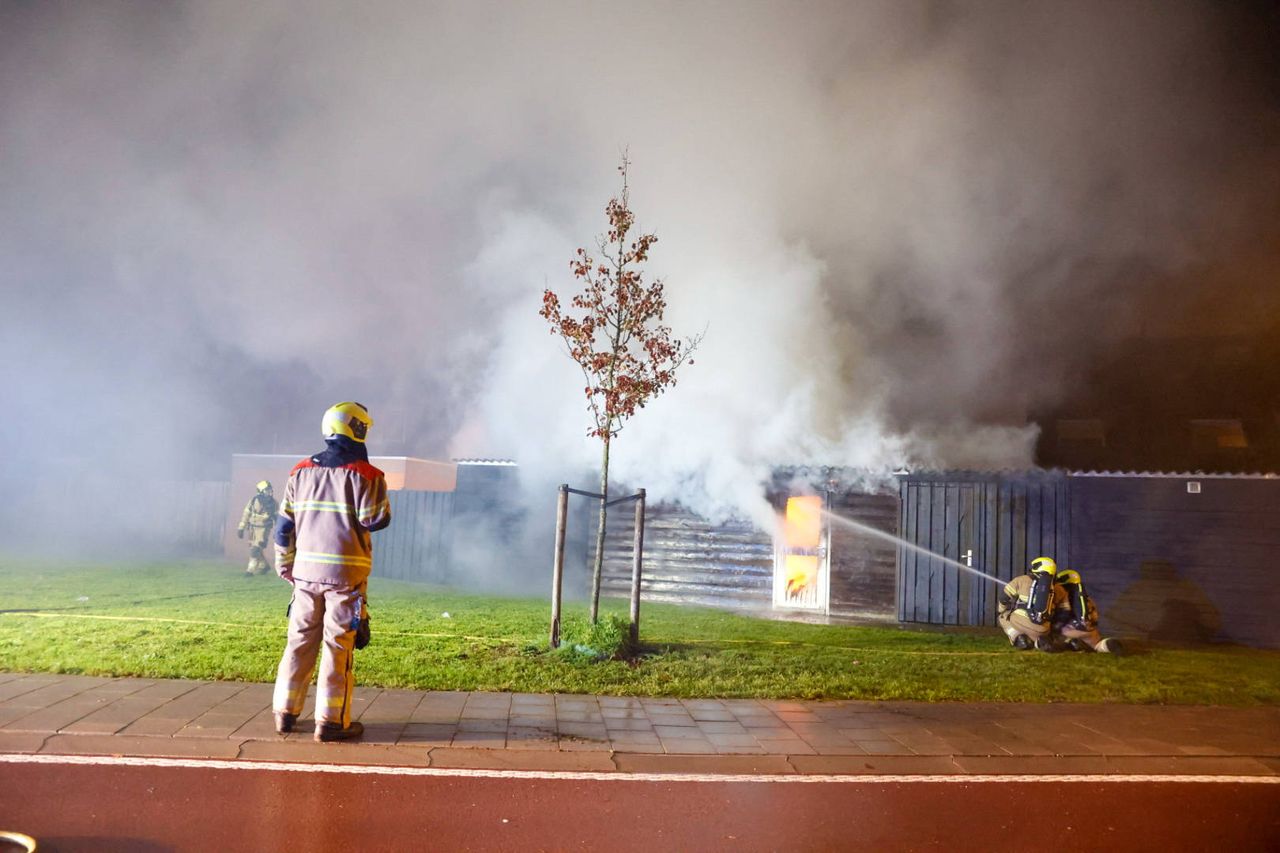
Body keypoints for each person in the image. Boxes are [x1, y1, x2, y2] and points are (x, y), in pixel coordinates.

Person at [271, 402, 391, 742]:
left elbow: (283, 527)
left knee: (299, 643)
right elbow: (375, 519)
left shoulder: (300, 471)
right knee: (338, 646)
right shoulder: (368, 476)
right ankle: (331, 722)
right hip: (346, 577)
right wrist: (374, 482)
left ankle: (285, 714)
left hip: (305, 575)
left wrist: (285, 563)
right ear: (358, 429)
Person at [997, 556, 1063, 651]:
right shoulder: (1057, 588)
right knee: (1039, 633)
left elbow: (1003, 598)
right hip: (1044, 629)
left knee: (1002, 617)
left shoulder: (1021, 580)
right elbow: (1064, 610)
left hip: (1021, 623)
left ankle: (1018, 638)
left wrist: (1001, 609)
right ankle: (1040, 642)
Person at [1052, 567, 1123, 654]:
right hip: (1089, 629)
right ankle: (1107, 645)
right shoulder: (1087, 599)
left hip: (1072, 628)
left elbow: (1064, 614)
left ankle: (1071, 643)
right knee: (1097, 645)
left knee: (1051, 634)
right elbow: (1095, 617)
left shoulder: (1066, 596)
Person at [236, 480, 278, 577]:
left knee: (255, 549)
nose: (270, 492)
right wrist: (241, 527)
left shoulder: (273, 503)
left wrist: (277, 531)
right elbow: (246, 514)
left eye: (270, 490)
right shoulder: (254, 500)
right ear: (261, 491)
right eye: (267, 490)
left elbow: (277, 518)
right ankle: (264, 566)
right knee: (254, 548)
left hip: (263, 529)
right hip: (252, 528)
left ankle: (250, 570)